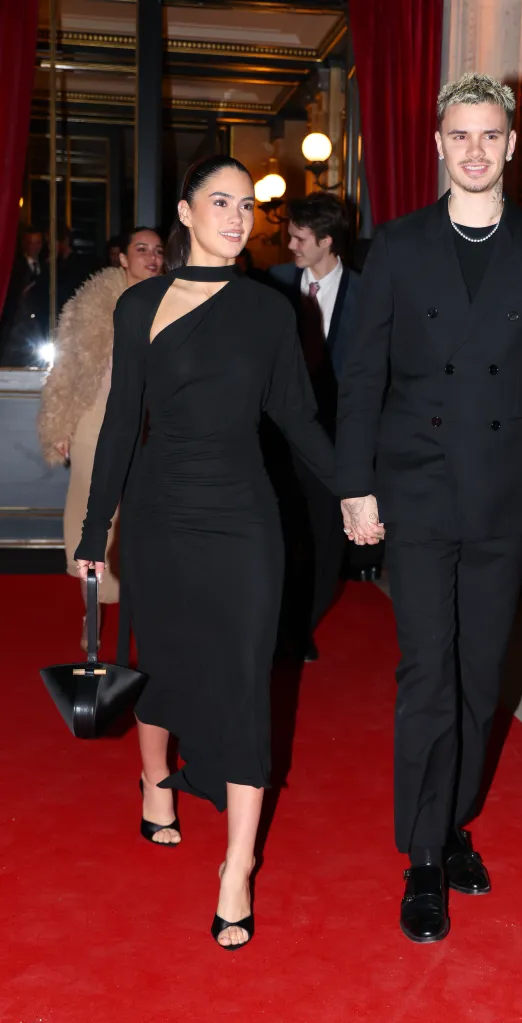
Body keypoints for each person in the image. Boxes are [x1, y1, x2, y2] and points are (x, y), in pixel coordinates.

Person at [336, 72, 522, 943]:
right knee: (428, 676)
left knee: (480, 679)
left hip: (500, 492)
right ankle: (420, 855)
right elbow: (362, 375)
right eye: (461, 136)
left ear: (513, 146)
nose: (476, 150)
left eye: (491, 135)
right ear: (439, 143)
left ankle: (452, 825)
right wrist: (354, 484)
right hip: (414, 489)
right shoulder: (399, 245)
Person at [74, 155, 335, 950]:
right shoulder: (142, 304)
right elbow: (123, 420)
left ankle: (237, 865)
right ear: (184, 213)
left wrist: (360, 489)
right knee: (162, 659)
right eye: (218, 201)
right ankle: (156, 782)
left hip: (244, 517)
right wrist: (94, 534)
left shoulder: (270, 311)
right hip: (159, 512)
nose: (235, 215)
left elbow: (296, 416)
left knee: (246, 677)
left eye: (245, 204)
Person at [38, 228, 165, 650]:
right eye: (141, 249)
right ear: (122, 259)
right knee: (92, 520)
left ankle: (142, 609)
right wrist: (61, 425)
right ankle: (93, 613)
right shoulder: (94, 304)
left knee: (145, 524)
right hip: (96, 423)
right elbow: (68, 368)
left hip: (153, 428)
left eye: (158, 251)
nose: (151, 257)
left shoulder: (175, 305)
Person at [268, 193, 360, 659]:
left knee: (325, 538)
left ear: (326, 241)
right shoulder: (275, 285)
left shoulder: (367, 294)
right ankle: (281, 621)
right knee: (280, 531)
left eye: (300, 237)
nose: (290, 245)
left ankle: (304, 621)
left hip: (337, 438)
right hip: (281, 436)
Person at [0, 225, 45, 365]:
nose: (35, 247)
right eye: (31, 243)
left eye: (38, 242)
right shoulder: (16, 267)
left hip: (41, 325)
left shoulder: (47, 266)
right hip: (19, 326)